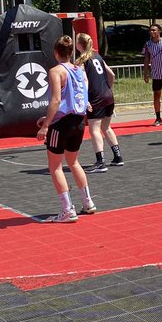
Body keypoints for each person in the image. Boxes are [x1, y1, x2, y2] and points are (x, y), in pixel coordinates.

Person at [36, 35, 97, 222]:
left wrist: (46, 125)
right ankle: (88, 202)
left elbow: (56, 100)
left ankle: (67, 209)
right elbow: (79, 93)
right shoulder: (78, 69)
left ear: (56, 53)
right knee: (74, 162)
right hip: (78, 121)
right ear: (71, 52)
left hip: (61, 123)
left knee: (55, 167)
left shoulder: (56, 71)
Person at [75, 32, 122, 173]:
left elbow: (85, 81)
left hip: (96, 98)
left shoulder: (81, 61)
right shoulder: (98, 56)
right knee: (106, 127)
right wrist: (108, 89)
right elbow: (111, 74)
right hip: (108, 96)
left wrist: (85, 99)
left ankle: (101, 162)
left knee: (94, 129)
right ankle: (118, 157)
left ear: (79, 45)